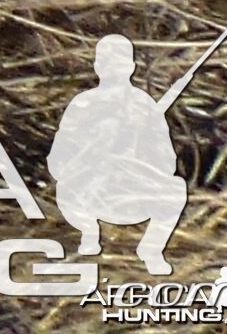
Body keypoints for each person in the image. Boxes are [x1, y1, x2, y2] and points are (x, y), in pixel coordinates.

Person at [50, 35, 190, 274]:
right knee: (65, 188)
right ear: (97, 67)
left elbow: (166, 162)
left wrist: (141, 142)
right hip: (90, 191)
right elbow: (58, 161)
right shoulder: (82, 104)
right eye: (108, 64)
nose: (114, 71)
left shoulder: (145, 106)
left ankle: (151, 249)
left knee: (175, 189)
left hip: (133, 191)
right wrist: (93, 154)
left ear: (132, 68)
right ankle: (89, 234)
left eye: (120, 64)